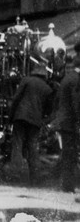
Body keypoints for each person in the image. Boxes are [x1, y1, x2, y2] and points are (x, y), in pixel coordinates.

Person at [8, 63, 54, 185]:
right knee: (33, 147)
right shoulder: (47, 88)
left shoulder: (26, 80)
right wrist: (43, 121)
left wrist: (10, 116)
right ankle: (35, 178)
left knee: (17, 145)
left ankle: (15, 175)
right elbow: (49, 110)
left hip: (20, 117)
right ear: (44, 74)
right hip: (35, 121)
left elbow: (16, 98)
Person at [49, 56, 80, 193]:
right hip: (70, 122)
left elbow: (57, 100)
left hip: (64, 121)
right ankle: (67, 186)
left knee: (67, 153)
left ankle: (58, 180)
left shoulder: (68, 78)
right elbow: (76, 103)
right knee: (70, 154)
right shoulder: (75, 80)